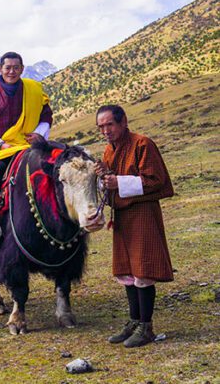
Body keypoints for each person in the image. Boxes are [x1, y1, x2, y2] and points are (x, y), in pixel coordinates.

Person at [94, 105, 174, 348]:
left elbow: (155, 180)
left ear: (123, 122)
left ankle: (146, 326)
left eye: (109, 124)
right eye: (101, 127)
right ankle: (134, 320)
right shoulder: (109, 150)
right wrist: (104, 177)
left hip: (142, 213)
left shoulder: (143, 144)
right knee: (126, 271)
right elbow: (111, 184)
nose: (105, 131)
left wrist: (117, 181)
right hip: (122, 216)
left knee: (143, 269)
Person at [0, 51, 53, 240]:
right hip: (2, 148)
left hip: (29, 145)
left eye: (16, 68)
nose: (12, 71)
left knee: (51, 166)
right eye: (7, 68)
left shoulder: (33, 90)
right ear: (0, 69)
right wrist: (0, 145)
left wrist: (39, 135)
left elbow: (46, 116)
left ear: (22, 69)